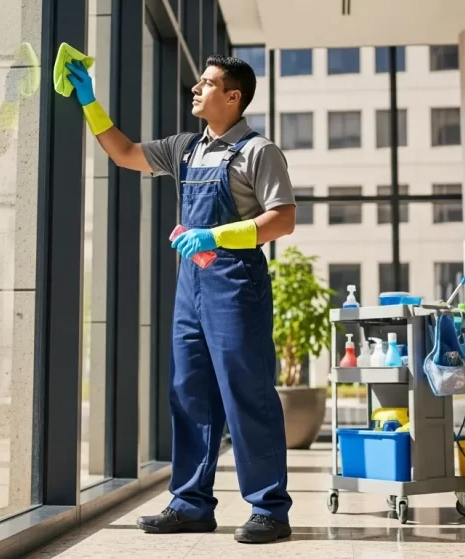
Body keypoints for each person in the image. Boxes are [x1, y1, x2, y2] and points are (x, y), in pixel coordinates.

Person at [65, 54, 296, 544]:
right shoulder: (185, 148)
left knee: (246, 393)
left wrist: (216, 237)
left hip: (237, 287)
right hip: (192, 287)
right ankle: (191, 502)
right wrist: (89, 101)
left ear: (233, 97)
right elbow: (124, 152)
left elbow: (281, 220)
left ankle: (270, 509)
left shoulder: (260, 151)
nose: (196, 88)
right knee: (189, 392)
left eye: (207, 83)